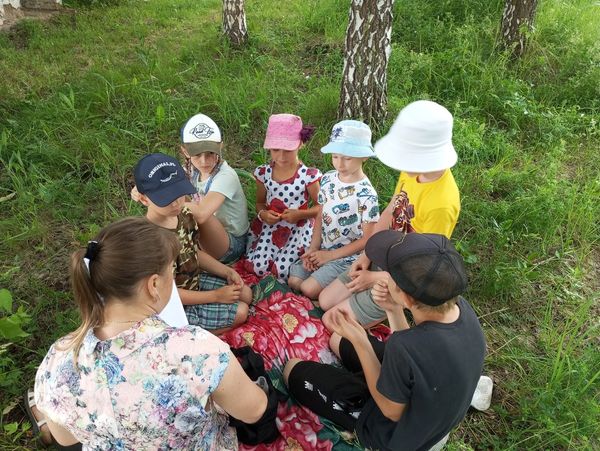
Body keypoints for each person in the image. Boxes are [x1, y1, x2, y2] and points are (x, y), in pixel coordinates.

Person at [33, 217, 268, 450]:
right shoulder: (197, 351)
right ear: (153, 285)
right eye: (171, 272)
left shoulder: (57, 357)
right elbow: (254, 410)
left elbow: (65, 439)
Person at [283, 231, 486, 451]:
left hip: (394, 433)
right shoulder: (461, 309)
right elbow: (417, 356)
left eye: (390, 274)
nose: (384, 277)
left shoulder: (404, 347)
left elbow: (391, 410)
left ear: (406, 296)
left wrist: (361, 342)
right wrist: (393, 309)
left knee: (293, 369)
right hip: (431, 405)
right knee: (338, 339)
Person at [319, 100, 461, 330]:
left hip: (404, 279)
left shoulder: (441, 205)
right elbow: (391, 210)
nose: (401, 164)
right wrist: (367, 254)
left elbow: (423, 268)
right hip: (385, 253)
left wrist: (374, 279)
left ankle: (391, 309)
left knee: (331, 320)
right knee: (326, 300)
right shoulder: (413, 171)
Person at [134, 153, 252, 333]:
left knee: (246, 294)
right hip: (172, 304)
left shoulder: (183, 214)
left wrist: (226, 271)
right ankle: (185, 334)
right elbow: (168, 293)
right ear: (144, 199)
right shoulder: (150, 242)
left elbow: (193, 251)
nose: (176, 203)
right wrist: (215, 296)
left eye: (179, 193)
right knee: (241, 312)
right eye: (166, 198)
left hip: (193, 280)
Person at [132, 113, 249, 264]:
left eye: (211, 153)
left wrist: (163, 204)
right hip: (204, 237)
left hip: (230, 244)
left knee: (190, 208)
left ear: (220, 147)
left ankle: (184, 250)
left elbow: (202, 214)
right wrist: (145, 189)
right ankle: (163, 243)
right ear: (185, 152)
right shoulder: (189, 170)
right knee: (172, 192)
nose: (204, 161)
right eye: (197, 155)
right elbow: (164, 181)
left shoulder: (226, 176)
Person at [288, 120, 379, 299]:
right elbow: (321, 214)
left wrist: (330, 256)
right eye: (335, 157)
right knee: (294, 281)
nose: (340, 164)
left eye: (347, 158)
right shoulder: (328, 179)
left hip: (347, 257)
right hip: (323, 247)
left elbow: (368, 239)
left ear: (365, 157)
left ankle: (341, 288)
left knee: (307, 289)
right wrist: (313, 248)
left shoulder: (367, 195)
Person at [245, 113, 321, 282]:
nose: (281, 156)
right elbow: (260, 202)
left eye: (288, 150)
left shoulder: (307, 176)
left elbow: (321, 207)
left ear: (301, 144)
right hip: (271, 226)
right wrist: (263, 214)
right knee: (258, 267)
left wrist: (300, 214)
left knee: (282, 271)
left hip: (298, 228)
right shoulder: (264, 173)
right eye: (275, 150)